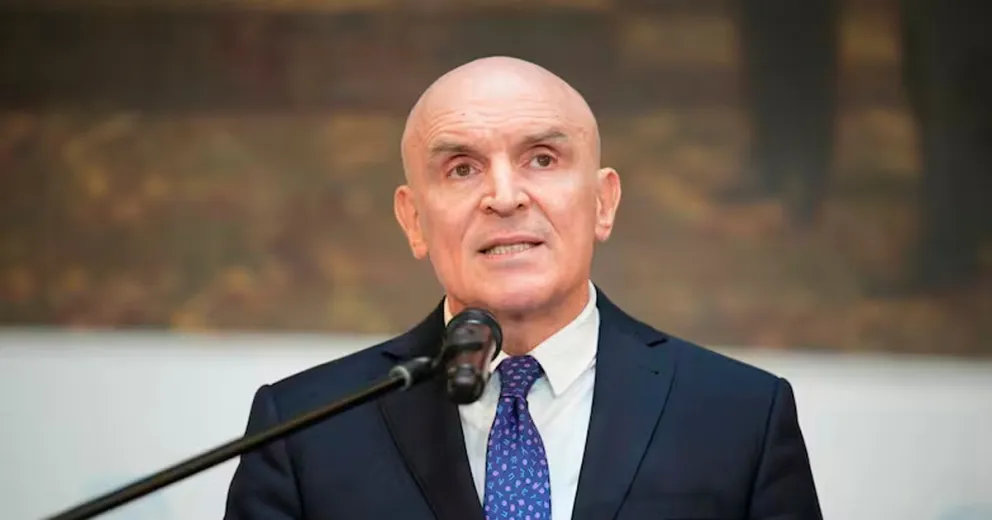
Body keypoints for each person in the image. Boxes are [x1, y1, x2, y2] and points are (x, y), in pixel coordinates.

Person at [223, 56, 822, 520]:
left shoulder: (740, 417)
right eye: (462, 168)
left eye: (541, 159)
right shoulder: (305, 429)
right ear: (413, 220)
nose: (505, 197)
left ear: (603, 202)